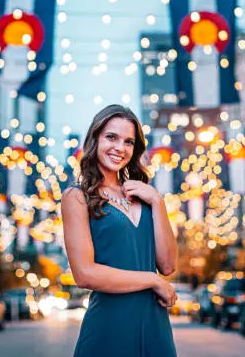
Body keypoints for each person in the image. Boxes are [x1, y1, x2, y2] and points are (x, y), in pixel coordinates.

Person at [61, 104, 178, 357]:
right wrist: (152, 279)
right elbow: (84, 274)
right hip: (109, 327)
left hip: (155, 325)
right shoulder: (77, 197)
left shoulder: (144, 196)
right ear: (95, 139)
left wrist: (158, 202)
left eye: (128, 141)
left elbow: (167, 265)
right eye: (111, 137)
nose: (119, 148)